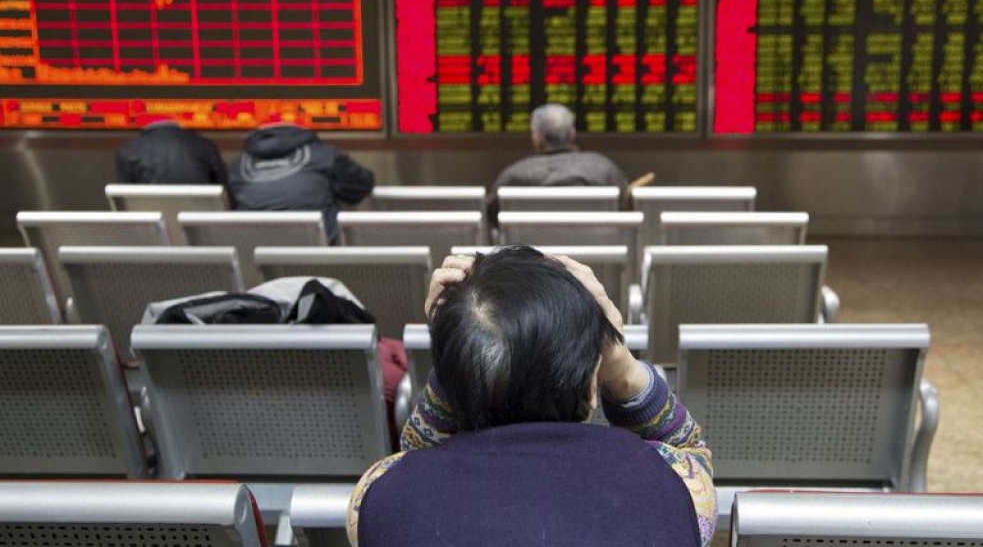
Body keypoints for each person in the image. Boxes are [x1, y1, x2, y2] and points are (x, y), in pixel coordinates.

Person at [347, 246, 716, 547]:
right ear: (591, 391)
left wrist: (457, 350)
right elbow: (693, 455)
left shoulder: (375, 497)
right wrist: (620, 366)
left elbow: (414, 458)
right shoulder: (675, 488)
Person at [229, 122, 375, 244]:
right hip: (316, 258)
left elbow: (233, 201)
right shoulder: (323, 153)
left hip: (253, 258)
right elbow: (361, 185)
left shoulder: (239, 164)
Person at [486, 104, 629, 224]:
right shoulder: (603, 168)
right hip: (597, 256)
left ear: (537, 137)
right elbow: (625, 208)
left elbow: (491, 217)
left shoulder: (514, 176)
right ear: (572, 133)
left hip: (533, 257)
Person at [115, 119, 229, 190]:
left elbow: (124, 196)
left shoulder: (129, 149)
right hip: (198, 215)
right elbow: (224, 187)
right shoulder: (205, 145)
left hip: (153, 215)